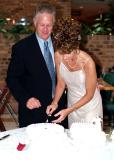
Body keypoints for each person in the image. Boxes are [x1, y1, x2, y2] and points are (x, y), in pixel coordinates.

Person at [6, 2, 68, 128]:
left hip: (59, 109)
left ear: (53, 24)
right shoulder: (21, 48)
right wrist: (26, 99)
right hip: (33, 111)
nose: (45, 29)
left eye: (49, 25)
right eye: (42, 25)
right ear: (35, 23)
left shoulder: (62, 46)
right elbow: (12, 79)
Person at [46, 18, 103, 128]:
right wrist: (54, 102)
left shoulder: (87, 62)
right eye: (62, 53)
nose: (65, 57)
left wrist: (68, 110)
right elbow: (61, 83)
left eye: (68, 53)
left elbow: (90, 94)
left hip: (90, 106)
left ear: (76, 47)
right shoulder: (58, 55)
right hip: (72, 104)